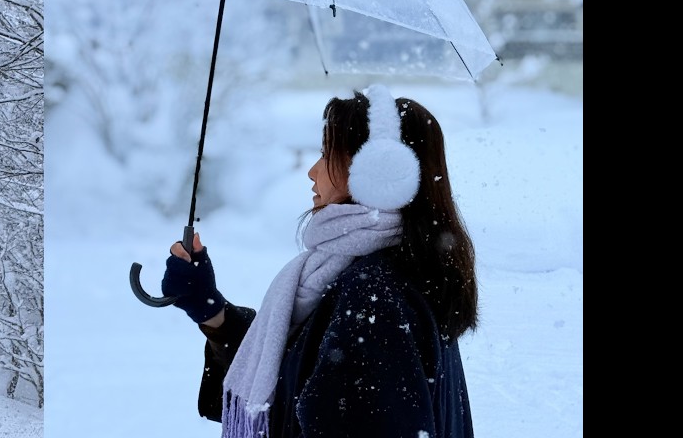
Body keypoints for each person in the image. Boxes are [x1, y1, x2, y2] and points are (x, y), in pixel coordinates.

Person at [160, 84, 476, 438]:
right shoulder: (392, 269)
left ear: (375, 172)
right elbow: (300, 370)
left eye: (327, 154)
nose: (313, 171)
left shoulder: (375, 295)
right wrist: (212, 311)